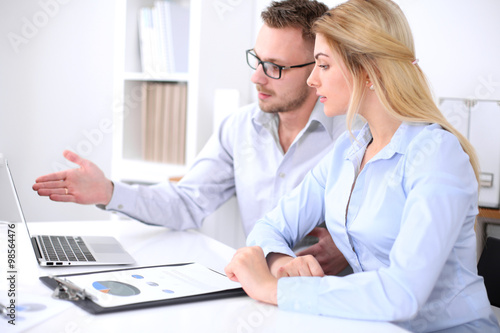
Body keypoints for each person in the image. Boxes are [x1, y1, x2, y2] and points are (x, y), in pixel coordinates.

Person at [224, 0, 500, 332]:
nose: (312, 80)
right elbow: (269, 225)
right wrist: (283, 263)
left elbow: (402, 294)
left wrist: (275, 289)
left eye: (323, 65)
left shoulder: (437, 156)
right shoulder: (348, 150)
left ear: (367, 71)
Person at [32, 0, 352, 275]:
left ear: (317, 67)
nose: (256, 77)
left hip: (331, 298)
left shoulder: (352, 136)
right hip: (257, 288)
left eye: (274, 67)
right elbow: (187, 202)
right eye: (256, 60)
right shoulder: (238, 128)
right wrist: (109, 191)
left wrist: (349, 249)